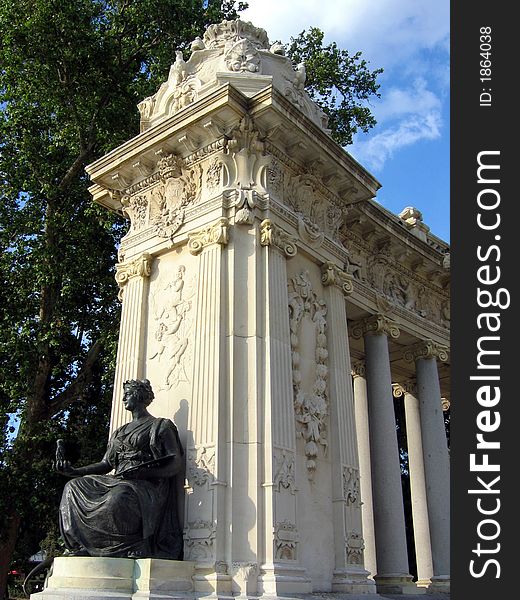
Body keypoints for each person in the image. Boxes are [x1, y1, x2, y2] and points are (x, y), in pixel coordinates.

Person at [55, 379, 184, 559]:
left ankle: (132, 544)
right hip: (120, 479)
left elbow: (176, 463)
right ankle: (81, 545)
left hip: (146, 484)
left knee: (118, 497)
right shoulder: (119, 432)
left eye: (128, 394)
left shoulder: (160, 426)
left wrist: (145, 472)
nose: (123, 397)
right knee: (73, 487)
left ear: (139, 396)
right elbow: (106, 464)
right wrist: (75, 471)